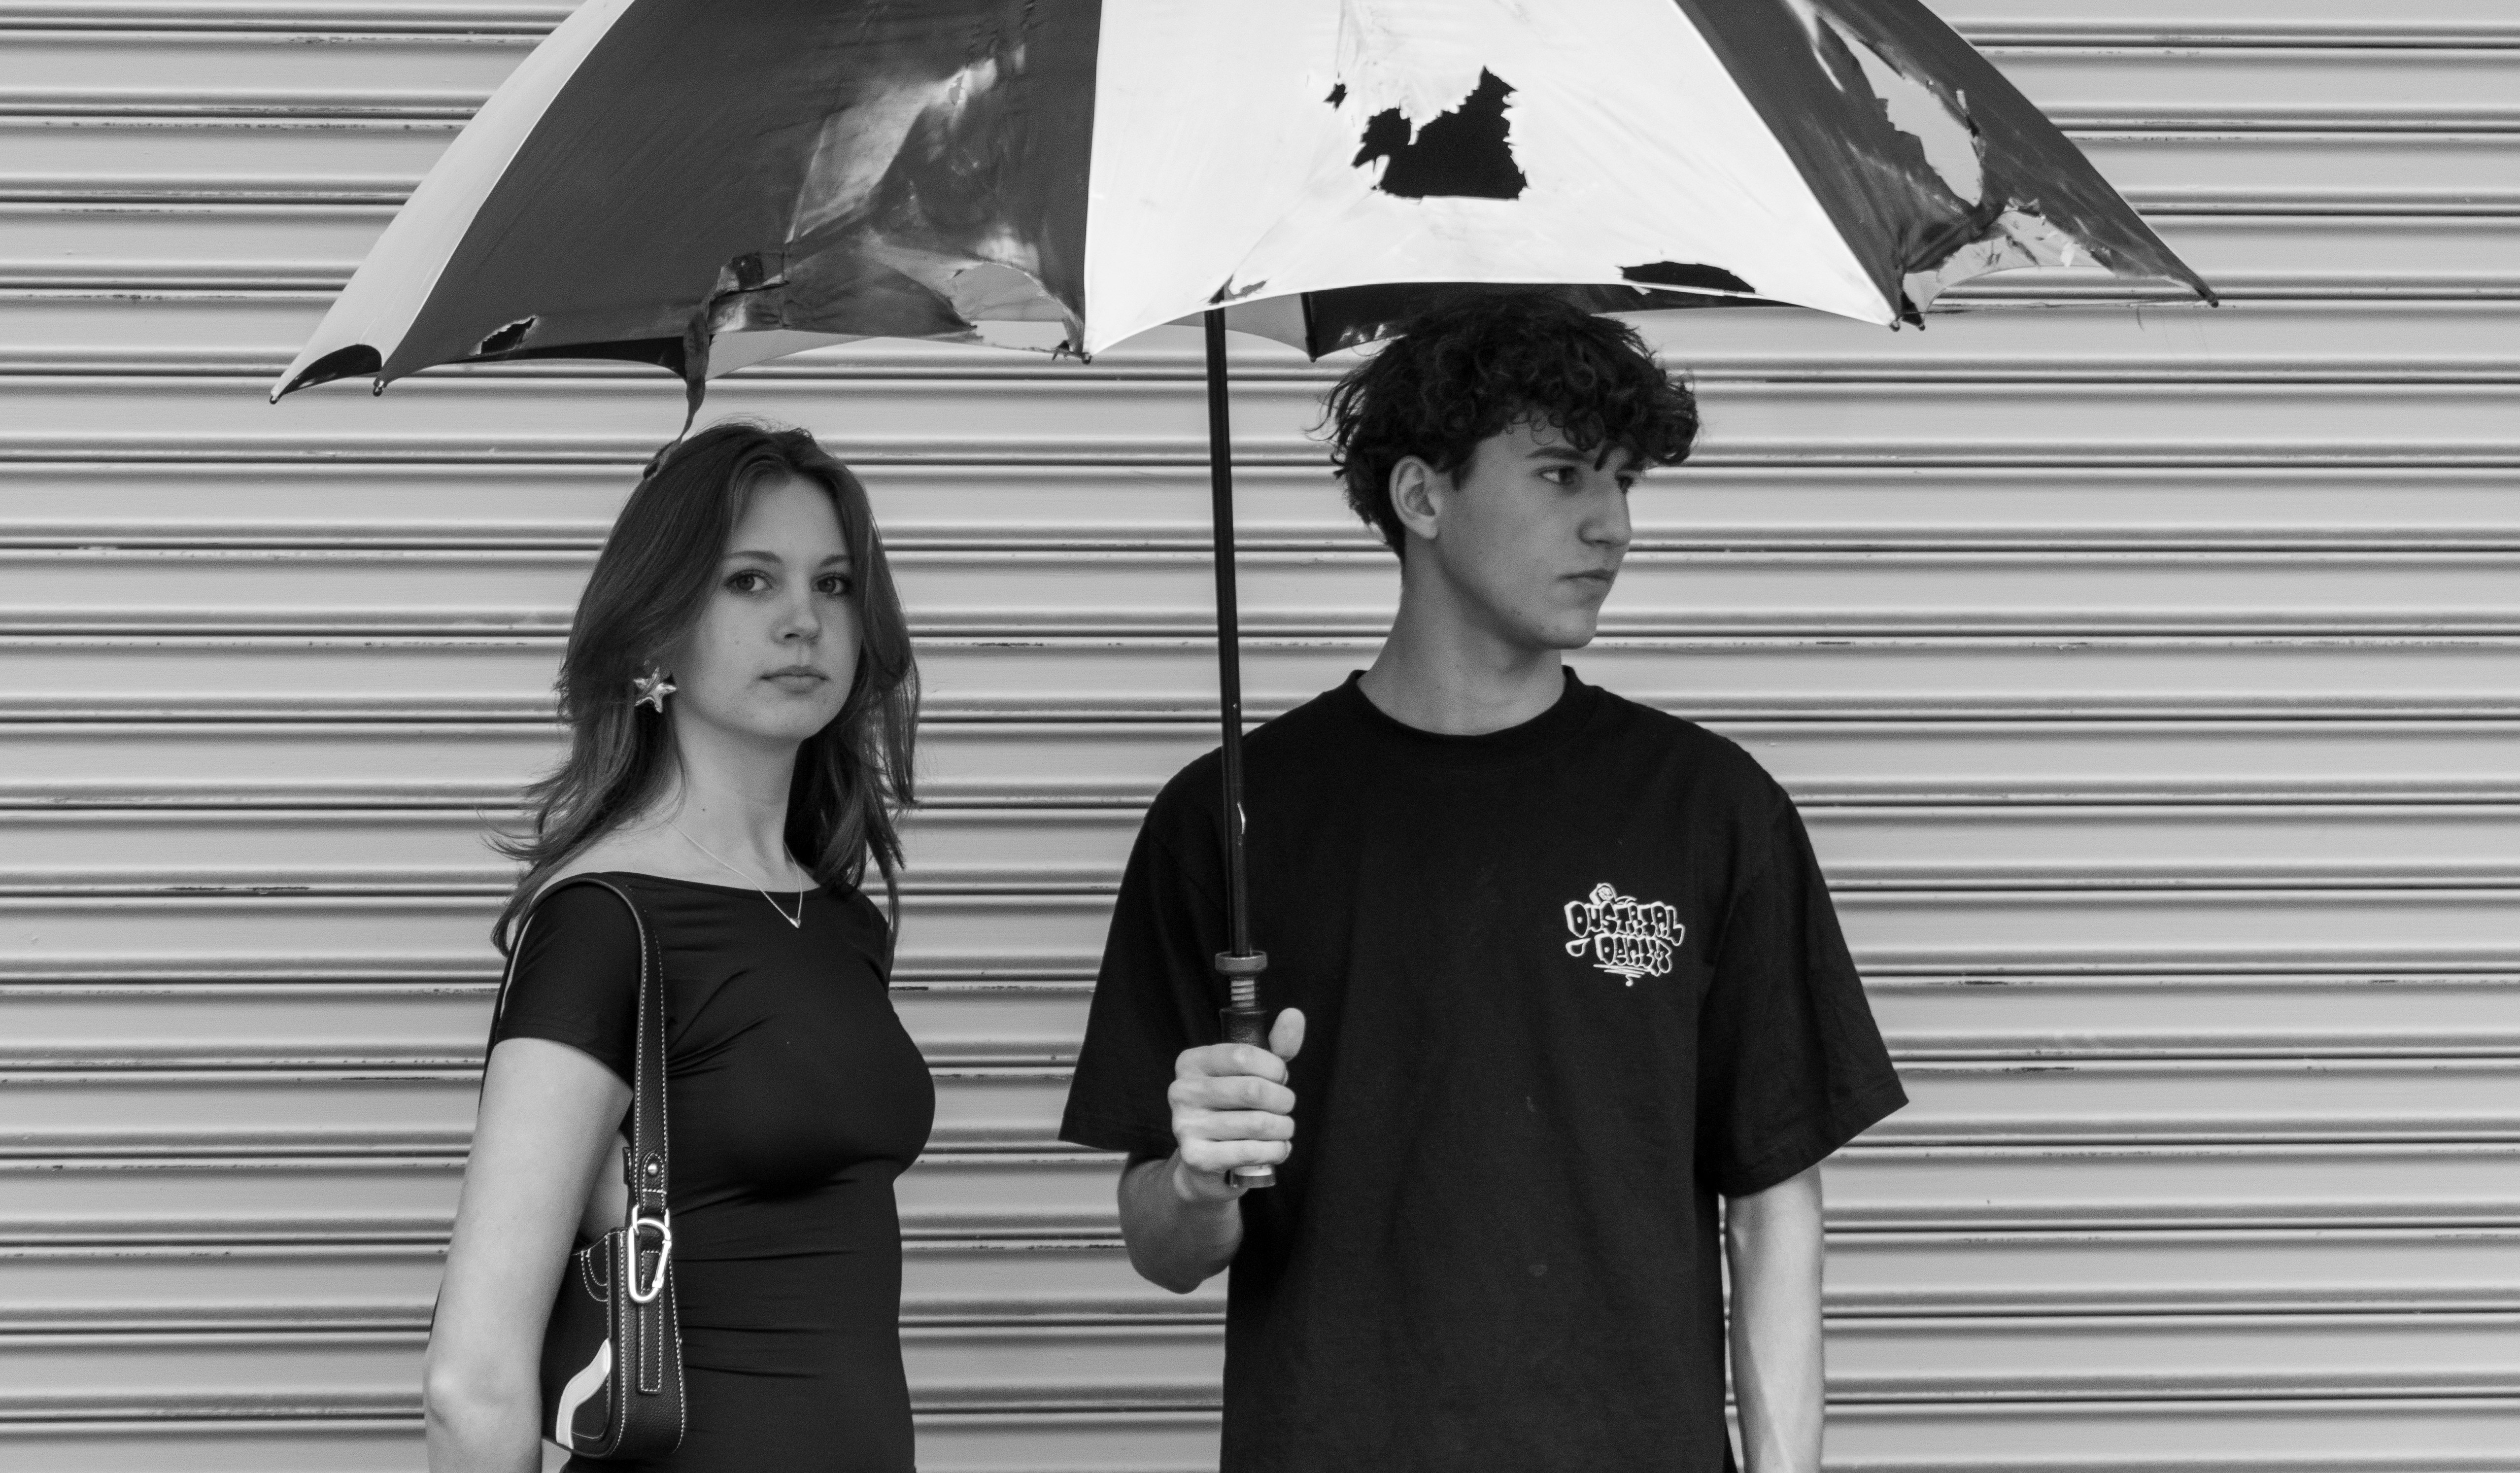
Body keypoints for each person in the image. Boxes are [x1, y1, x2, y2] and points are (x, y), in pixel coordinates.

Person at [1060, 293, 1907, 1473]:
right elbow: (1163, 1244)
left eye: (1624, 480)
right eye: (1563, 474)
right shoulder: (1233, 815)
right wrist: (1201, 1178)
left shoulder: (1710, 808)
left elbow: (1773, 1202)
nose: (1612, 524)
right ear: (1423, 496)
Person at [424, 421, 935, 1473]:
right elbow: (472, 1378)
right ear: (656, 631)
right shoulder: (606, 921)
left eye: (834, 584)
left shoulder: (840, 920)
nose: (804, 620)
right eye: (751, 581)